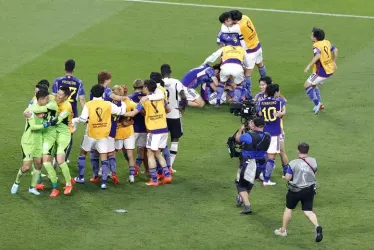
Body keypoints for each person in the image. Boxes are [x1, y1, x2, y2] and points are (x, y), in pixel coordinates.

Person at [73, 84, 126, 189]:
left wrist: (75, 120)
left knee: (83, 153)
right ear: (103, 93)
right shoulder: (108, 104)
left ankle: (81, 177)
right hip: (104, 135)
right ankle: (104, 182)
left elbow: (83, 119)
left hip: (91, 134)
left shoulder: (88, 104)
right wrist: (123, 103)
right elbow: (121, 111)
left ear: (92, 94)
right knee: (104, 157)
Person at [125, 80, 172, 186]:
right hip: (164, 129)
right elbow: (168, 109)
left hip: (153, 131)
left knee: (150, 153)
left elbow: (133, 113)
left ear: (146, 88)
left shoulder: (144, 101)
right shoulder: (161, 98)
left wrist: (119, 112)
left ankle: (154, 180)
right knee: (158, 153)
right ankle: (167, 175)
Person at [11, 89, 57, 195]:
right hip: (27, 142)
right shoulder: (30, 110)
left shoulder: (44, 107)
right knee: (26, 167)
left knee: (38, 164)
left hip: (38, 141)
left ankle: (32, 187)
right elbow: (33, 127)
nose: (47, 100)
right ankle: (16, 183)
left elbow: (52, 103)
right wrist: (47, 124)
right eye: (46, 99)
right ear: (41, 99)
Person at [274, 142, 323, 242]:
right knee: (308, 211)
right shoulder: (313, 161)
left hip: (295, 190)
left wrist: (285, 177)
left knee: (289, 209)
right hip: (309, 189)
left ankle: (283, 230)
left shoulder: (293, 163)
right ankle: (317, 226)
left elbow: (288, 177)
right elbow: (315, 172)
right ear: (307, 151)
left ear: (298, 151)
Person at [36, 86, 75, 195]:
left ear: (66, 97)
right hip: (51, 133)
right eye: (57, 93)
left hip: (63, 134)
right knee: (46, 158)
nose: (57, 96)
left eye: (60, 95)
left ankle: (68, 184)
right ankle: (58, 183)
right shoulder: (53, 98)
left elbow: (57, 121)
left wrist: (44, 121)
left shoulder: (67, 107)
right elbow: (38, 98)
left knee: (60, 159)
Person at [220, 10, 267, 97]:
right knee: (260, 65)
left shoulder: (238, 27)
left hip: (250, 52)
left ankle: (249, 96)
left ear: (235, 20)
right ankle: (268, 84)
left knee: (246, 75)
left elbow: (224, 28)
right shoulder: (245, 17)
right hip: (257, 46)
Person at [234, 117, 271, 214]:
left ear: (254, 125)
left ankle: (247, 206)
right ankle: (242, 199)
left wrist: (240, 130)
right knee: (249, 182)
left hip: (249, 163)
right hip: (261, 163)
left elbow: (238, 139)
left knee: (240, 185)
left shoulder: (248, 136)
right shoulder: (267, 135)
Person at [52, 59, 86, 162]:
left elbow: (54, 97)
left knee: (56, 133)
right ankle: (64, 158)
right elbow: (82, 99)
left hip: (59, 110)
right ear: (74, 69)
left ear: (64, 68)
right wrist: (86, 114)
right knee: (69, 135)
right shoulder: (79, 82)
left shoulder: (57, 81)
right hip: (72, 113)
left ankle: (55, 157)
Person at [304, 27, 338, 114]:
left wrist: (309, 65)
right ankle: (320, 104)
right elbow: (335, 50)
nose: (311, 36)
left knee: (307, 85)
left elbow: (318, 56)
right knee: (313, 85)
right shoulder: (327, 42)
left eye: (312, 35)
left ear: (315, 38)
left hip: (322, 72)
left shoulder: (316, 45)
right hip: (329, 69)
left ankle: (317, 104)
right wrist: (333, 62)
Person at [258, 84, 286, 186]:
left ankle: (261, 174)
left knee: (264, 153)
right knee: (271, 157)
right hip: (275, 132)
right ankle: (266, 180)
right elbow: (282, 112)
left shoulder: (261, 102)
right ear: (275, 92)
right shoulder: (279, 102)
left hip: (264, 132)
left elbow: (260, 114)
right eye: (278, 91)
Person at [161, 64, 187, 172]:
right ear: (170, 72)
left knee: (162, 140)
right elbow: (184, 97)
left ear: (161, 72)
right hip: (175, 114)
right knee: (175, 140)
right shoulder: (176, 82)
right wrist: (182, 108)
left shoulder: (159, 83)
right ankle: (170, 166)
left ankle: (161, 165)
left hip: (162, 116)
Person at [129, 79, 148, 176]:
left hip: (133, 128)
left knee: (130, 150)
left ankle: (132, 170)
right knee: (141, 149)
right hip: (145, 128)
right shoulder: (147, 98)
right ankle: (137, 166)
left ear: (134, 87)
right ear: (143, 87)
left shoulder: (130, 98)